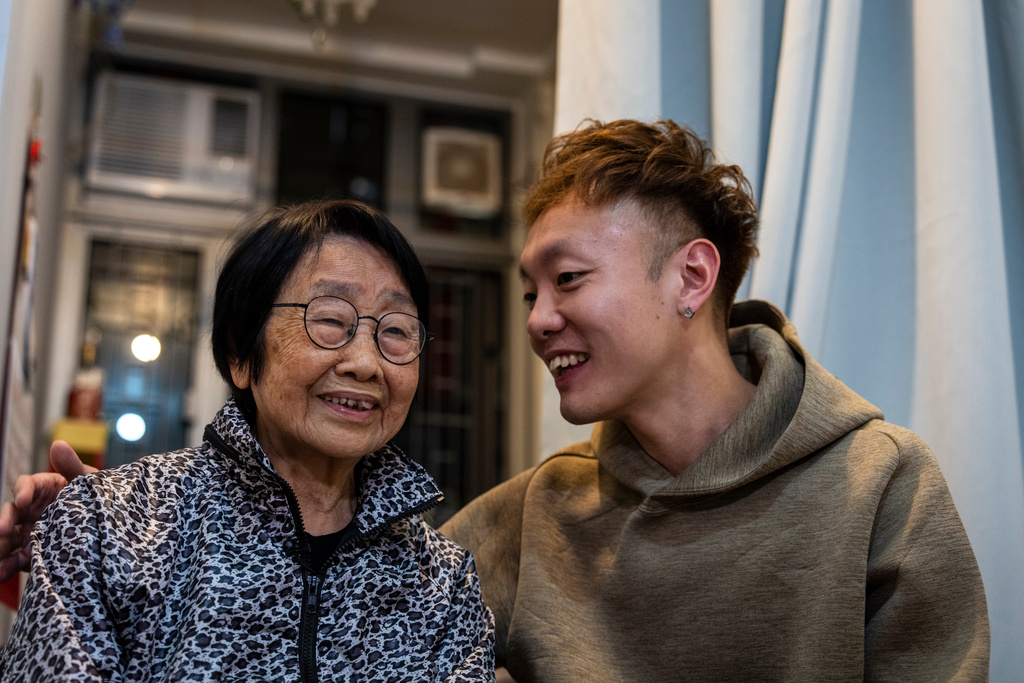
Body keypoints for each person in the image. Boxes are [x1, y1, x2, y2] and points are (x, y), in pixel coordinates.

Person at [2, 120, 989, 681]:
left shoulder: (881, 487)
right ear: (238, 353)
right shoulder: (515, 526)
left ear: (691, 277)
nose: (537, 319)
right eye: (527, 291)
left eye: (567, 279)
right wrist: (87, 527)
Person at [0, 199, 494, 681]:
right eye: (329, 320)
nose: (365, 362)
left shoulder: (445, 586)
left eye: (396, 330)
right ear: (241, 353)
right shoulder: (108, 526)